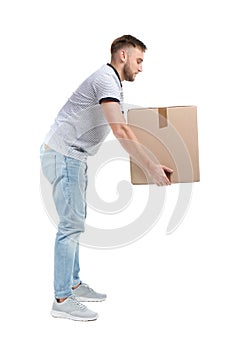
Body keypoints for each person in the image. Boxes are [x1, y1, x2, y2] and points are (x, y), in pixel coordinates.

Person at [40, 34, 173, 322]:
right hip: (64, 155)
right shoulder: (106, 79)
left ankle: (73, 283)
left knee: (75, 222)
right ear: (122, 55)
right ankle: (62, 298)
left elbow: (124, 127)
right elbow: (121, 131)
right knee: (70, 225)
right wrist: (150, 167)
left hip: (72, 157)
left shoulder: (113, 83)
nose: (141, 67)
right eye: (139, 60)